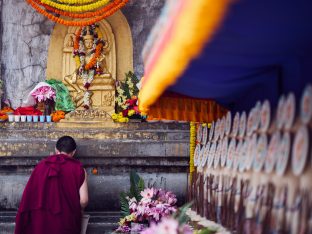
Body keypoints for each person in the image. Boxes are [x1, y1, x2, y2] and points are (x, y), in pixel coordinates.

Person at [15, 136, 88, 234]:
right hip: (66, 222)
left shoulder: (41, 166)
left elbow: (30, 195)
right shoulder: (79, 169)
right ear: (74, 152)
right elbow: (84, 200)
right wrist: (80, 210)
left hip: (41, 222)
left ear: (56, 150)